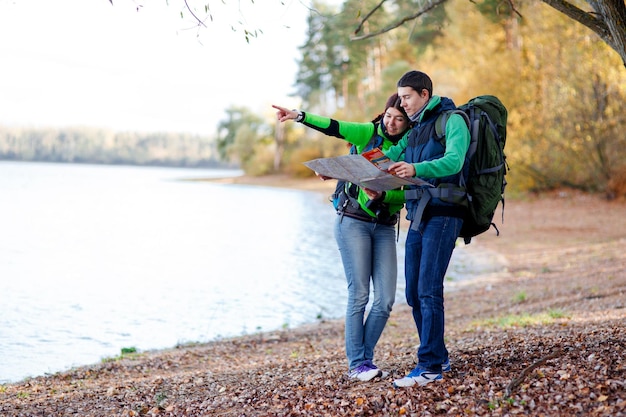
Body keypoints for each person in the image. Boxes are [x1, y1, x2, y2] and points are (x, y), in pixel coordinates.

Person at [272, 94, 411, 381]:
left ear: (408, 121)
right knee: (358, 294)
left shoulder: (410, 146)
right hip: (353, 222)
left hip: (384, 225)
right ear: (382, 113)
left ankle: (364, 360)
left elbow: (411, 191)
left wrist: (385, 195)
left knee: (385, 299)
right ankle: (358, 364)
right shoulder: (367, 133)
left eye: (399, 118)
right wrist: (298, 115)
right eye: (388, 115)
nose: (392, 123)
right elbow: (333, 126)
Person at [383, 70, 471, 388]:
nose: (402, 103)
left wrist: (417, 168)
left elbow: (454, 161)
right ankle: (439, 356)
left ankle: (430, 366)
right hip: (418, 214)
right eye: (400, 97)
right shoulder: (416, 129)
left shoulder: (453, 119)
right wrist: (346, 169)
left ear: (424, 94)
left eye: (406, 97)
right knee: (413, 294)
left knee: (428, 289)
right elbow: (388, 158)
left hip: (446, 212)